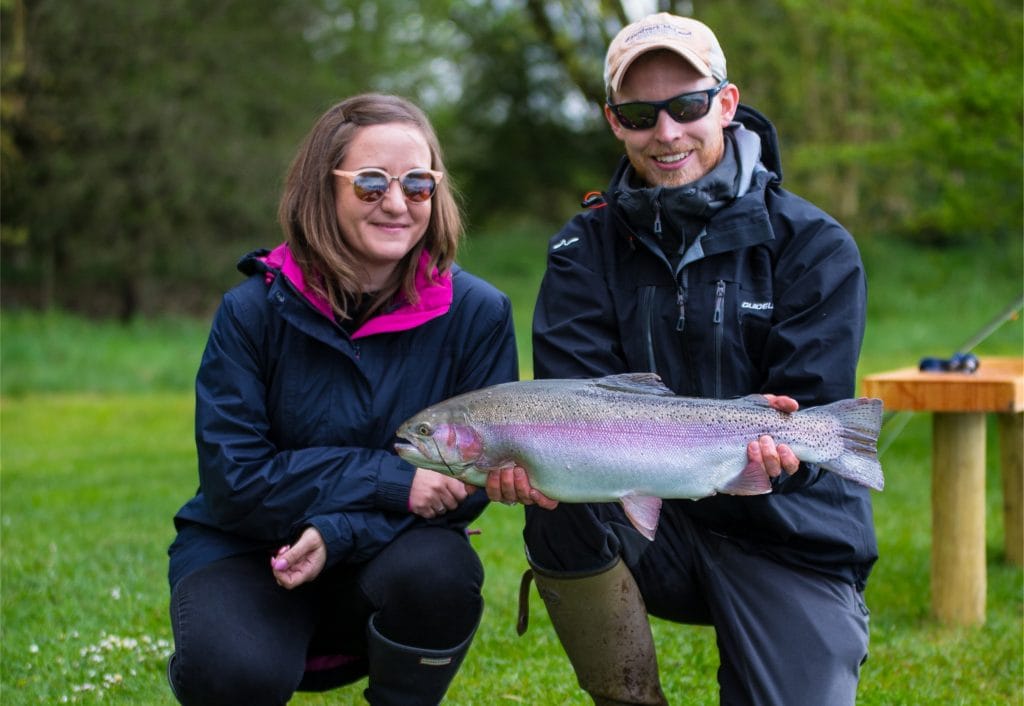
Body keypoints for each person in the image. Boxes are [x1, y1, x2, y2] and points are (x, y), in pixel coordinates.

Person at [487, 13, 877, 706]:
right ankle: (629, 696)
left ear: (725, 104)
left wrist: (778, 459)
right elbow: (572, 399)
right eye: (640, 115)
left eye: (687, 106)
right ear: (615, 122)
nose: (666, 134)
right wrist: (535, 463)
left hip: (785, 533)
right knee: (557, 497)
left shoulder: (814, 246)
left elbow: (808, 401)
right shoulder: (582, 251)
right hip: (644, 525)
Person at [165, 93, 518, 706]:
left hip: (387, 554)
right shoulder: (250, 312)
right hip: (251, 552)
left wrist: (340, 530)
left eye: (417, 183)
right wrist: (390, 479)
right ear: (321, 188)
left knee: (440, 573)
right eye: (370, 183)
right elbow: (237, 481)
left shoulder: (478, 313)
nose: (396, 203)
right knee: (233, 672)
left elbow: (464, 488)